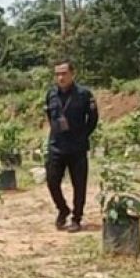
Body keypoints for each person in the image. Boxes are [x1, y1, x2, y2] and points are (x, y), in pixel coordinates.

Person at [45, 60, 98, 232]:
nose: (60, 77)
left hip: (77, 148)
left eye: (64, 73)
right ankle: (63, 209)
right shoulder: (51, 94)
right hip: (56, 146)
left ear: (72, 74)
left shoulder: (84, 94)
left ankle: (76, 217)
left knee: (79, 184)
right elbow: (50, 116)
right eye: (57, 74)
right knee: (52, 182)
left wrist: (82, 135)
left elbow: (93, 118)